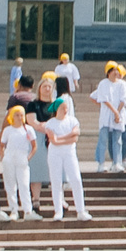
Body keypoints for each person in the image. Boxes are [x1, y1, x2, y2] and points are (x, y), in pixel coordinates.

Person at [41, 89, 90, 221]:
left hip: (69, 153)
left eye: (66, 107)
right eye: (63, 107)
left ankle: (81, 210)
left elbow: (75, 136)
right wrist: (64, 138)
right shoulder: (50, 123)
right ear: (57, 109)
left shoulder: (73, 120)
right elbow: (53, 141)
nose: (65, 110)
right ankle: (58, 210)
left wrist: (61, 138)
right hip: (55, 154)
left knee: (76, 179)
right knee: (56, 180)